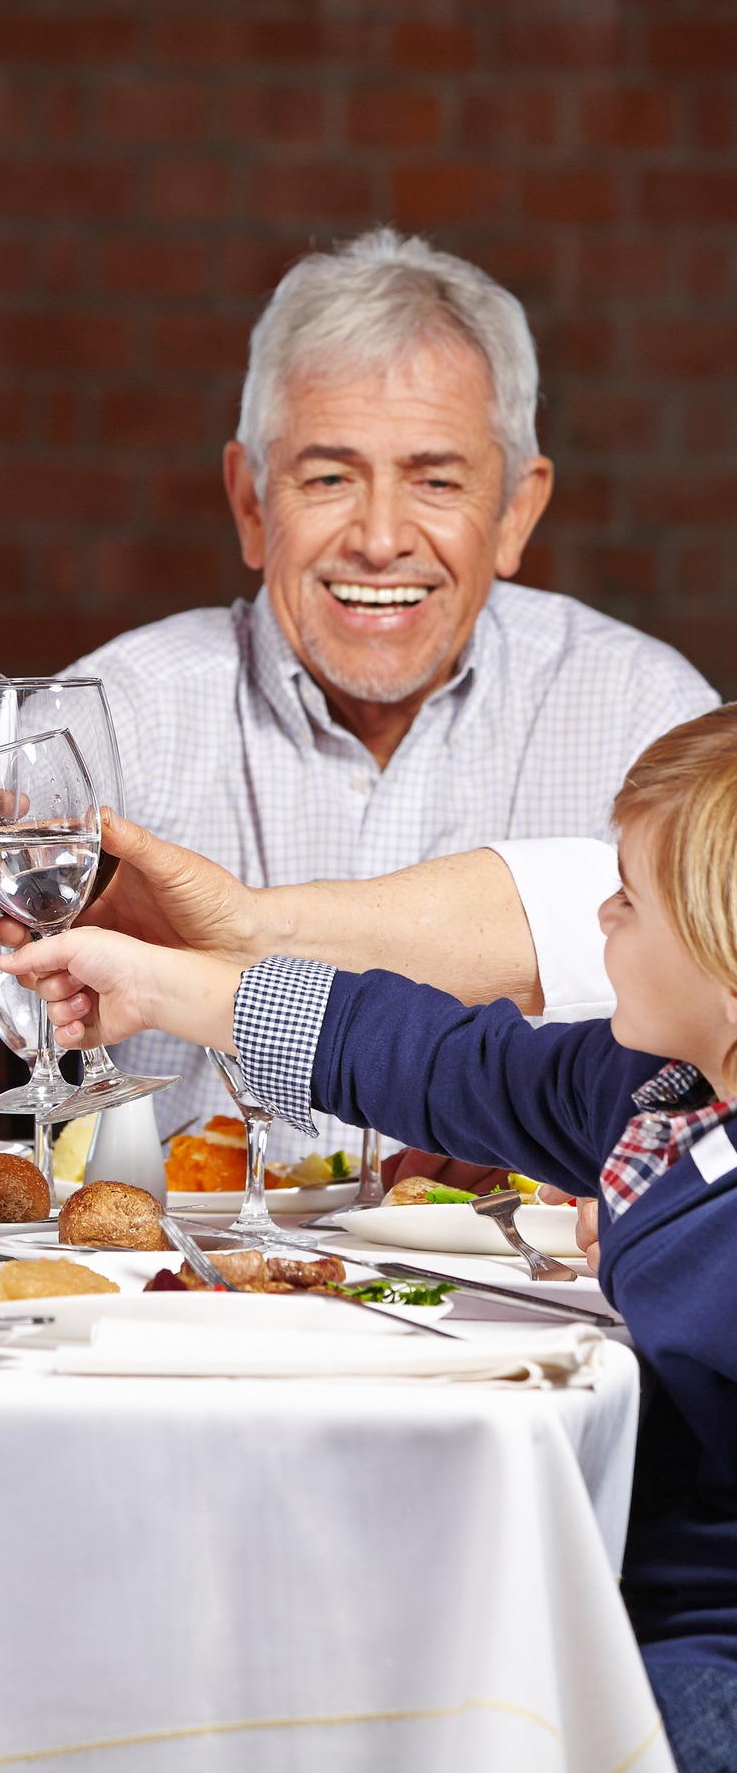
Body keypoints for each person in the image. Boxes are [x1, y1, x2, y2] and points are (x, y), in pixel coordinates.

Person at [4, 712, 737, 1770]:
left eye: (633, 895)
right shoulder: (654, 1094)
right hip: (628, 1585)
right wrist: (168, 986)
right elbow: (433, 1059)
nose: (602, 915)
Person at [64, 228, 716, 1144]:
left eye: (436, 481)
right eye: (329, 477)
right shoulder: (118, 708)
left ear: (515, 511)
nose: (379, 537)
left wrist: (248, 937)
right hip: (189, 1278)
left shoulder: (646, 714)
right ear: (252, 504)